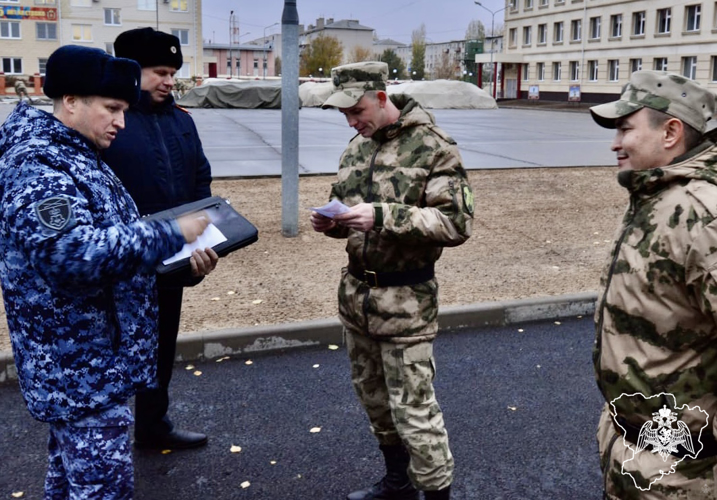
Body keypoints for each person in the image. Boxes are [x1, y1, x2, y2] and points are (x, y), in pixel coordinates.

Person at [0, 45, 211, 498]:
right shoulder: (40, 164)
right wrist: (169, 234)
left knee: (68, 484)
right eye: (112, 109)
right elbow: (71, 255)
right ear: (71, 102)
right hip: (81, 374)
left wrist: (177, 258)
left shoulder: (78, 153)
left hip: (92, 369)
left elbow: (110, 241)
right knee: (101, 491)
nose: (122, 121)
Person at [312, 61, 474, 500]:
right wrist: (336, 224)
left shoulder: (433, 147)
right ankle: (397, 482)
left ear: (382, 99)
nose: (351, 121)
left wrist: (384, 216)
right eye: (344, 114)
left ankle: (437, 494)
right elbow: (350, 212)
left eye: (357, 110)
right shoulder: (356, 148)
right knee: (375, 401)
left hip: (407, 302)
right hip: (357, 299)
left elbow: (456, 223)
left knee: (415, 411)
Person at [590, 70, 717, 499]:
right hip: (634, 450)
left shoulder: (703, 215)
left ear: (671, 132)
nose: (615, 142)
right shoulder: (656, 197)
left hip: (681, 471)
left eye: (626, 128)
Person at [102, 27, 217, 451]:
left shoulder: (182, 120)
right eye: (160, 72)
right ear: (130, 71)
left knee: (161, 342)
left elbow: (199, 179)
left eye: (172, 72)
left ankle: (153, 425)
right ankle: (104, 437)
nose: (169, 81)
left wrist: (206, 236)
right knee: (111, 350)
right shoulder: (110, 119)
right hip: (119, 260)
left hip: (171, 257)